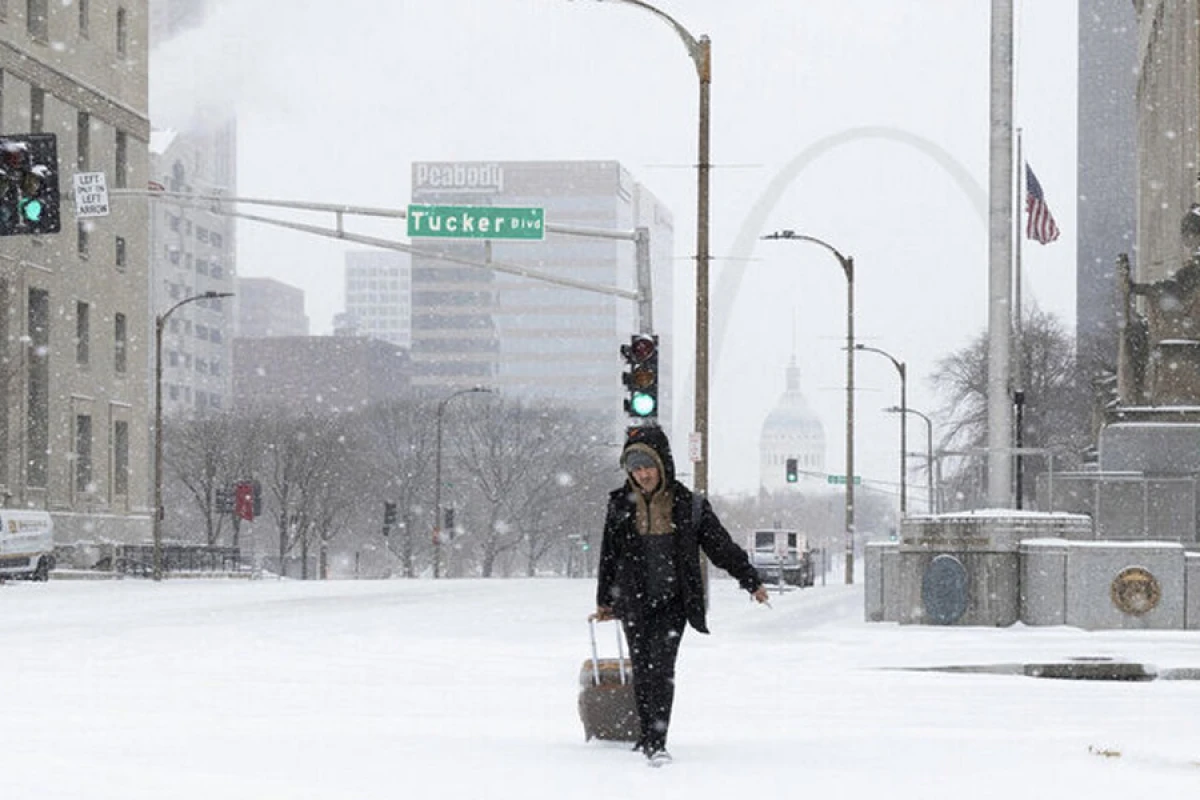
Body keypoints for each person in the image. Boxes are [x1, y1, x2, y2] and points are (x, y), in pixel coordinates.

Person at [592, 425, 769, 765]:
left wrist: (750, 580)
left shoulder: (689, 506)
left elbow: (722, 548)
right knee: (643, 670)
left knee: (662, 668)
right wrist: (605, 601)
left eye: (648, 466)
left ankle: (657, 741)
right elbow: (609, 555)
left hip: (674, 602)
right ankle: (646, 733)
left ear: (663, 465)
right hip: (634, 601)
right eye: (636, 468)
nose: (642, 475)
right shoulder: (619, 504)